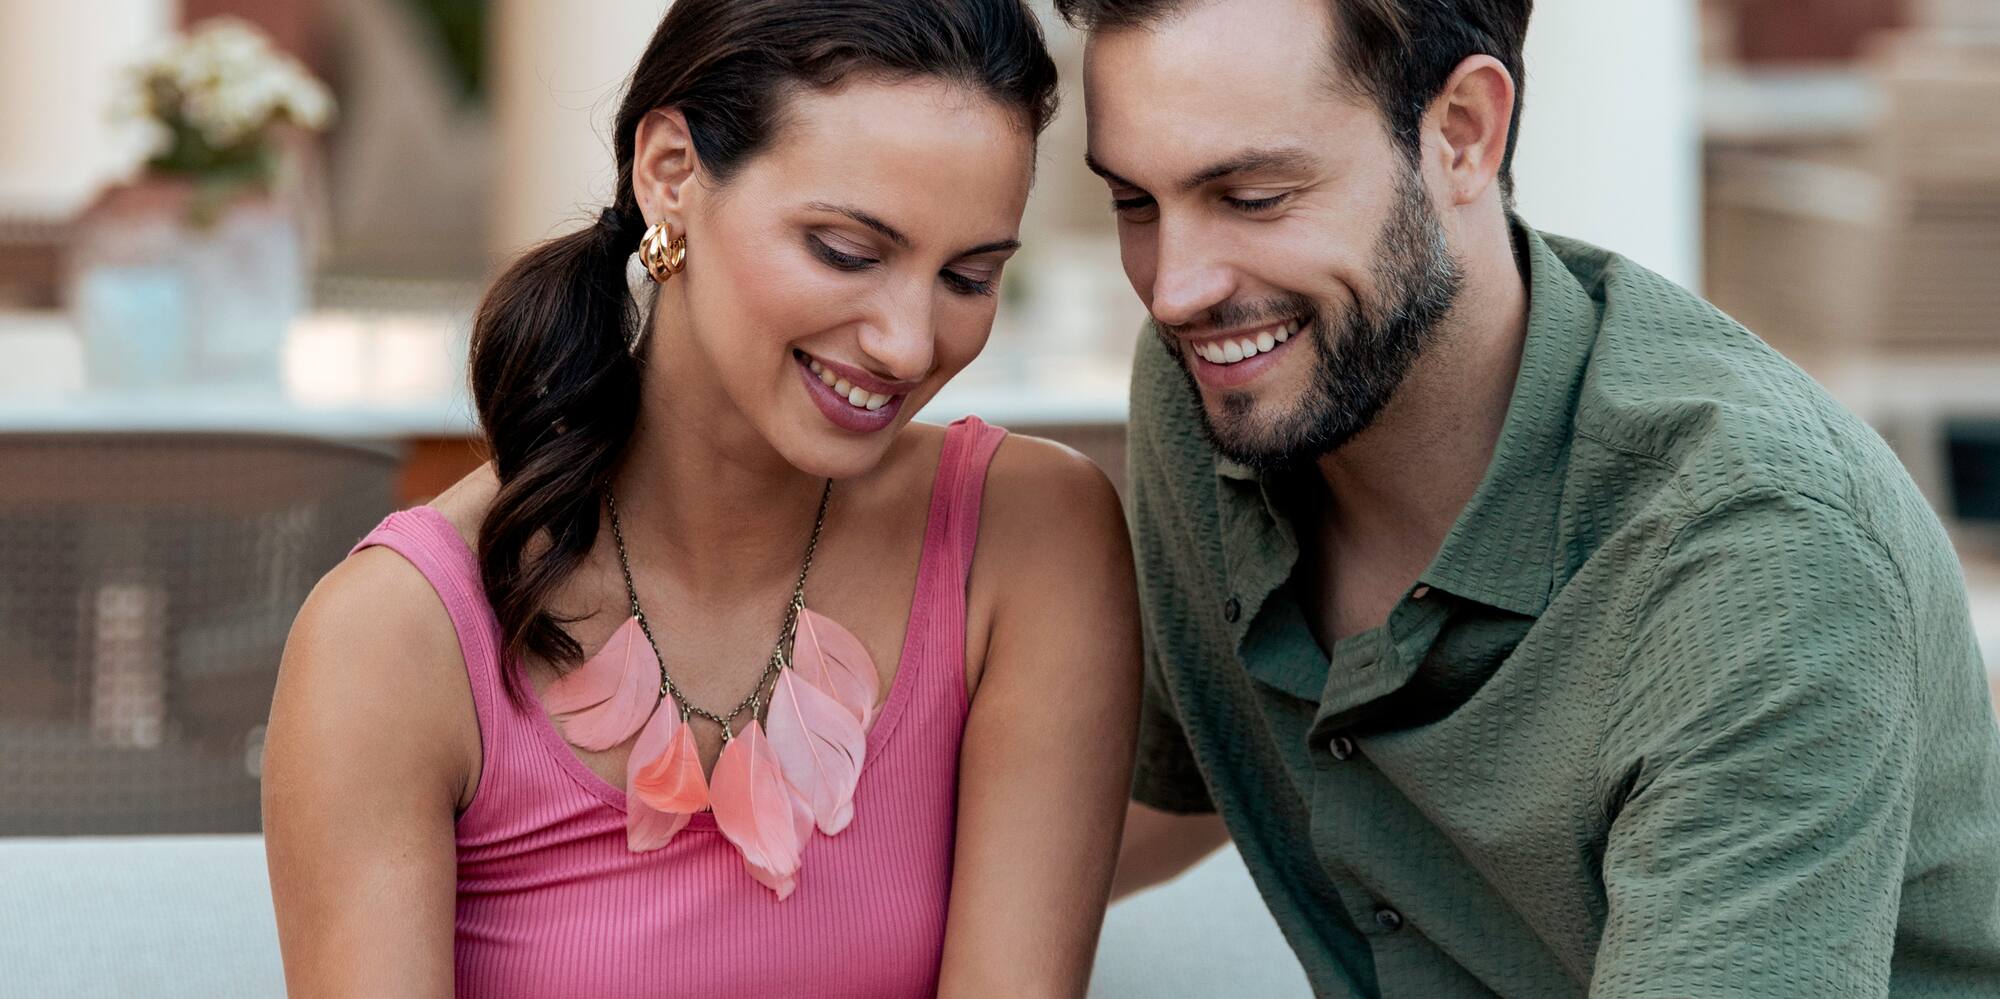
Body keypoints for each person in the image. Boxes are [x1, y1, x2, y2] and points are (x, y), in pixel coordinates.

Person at [1058, 0, 2000, 994]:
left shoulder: (1758, 560)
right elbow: (1161, 795)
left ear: (1461, 132)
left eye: (1251, 195)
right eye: (1133, 204)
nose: (1173, 289)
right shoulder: (1224, 382)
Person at [262, 2, 1140, 996]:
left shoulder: (1027, 543)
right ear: (670, 174)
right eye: (846, 250)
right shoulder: (393, 638)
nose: (906, 343)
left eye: (967, 276)